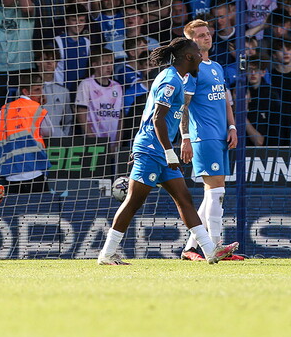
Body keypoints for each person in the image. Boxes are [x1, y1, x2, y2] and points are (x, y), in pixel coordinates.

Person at [96, 37, 238, 265]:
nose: (202, 58)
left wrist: (168, 152)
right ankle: (107, 253)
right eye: (198, 55)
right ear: (189, 57)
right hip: (152, 149)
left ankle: (210, 250)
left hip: (162, 152)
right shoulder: (170, 80)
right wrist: (168, 151)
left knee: (185, 199)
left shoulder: (180, 79)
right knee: (133, 202)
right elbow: (157, 118)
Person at [180, 19, 239, 260]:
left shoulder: (217, 67)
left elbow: (225, 100)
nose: (207, 38)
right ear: (191, 41)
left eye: (208, 34)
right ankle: (215, 246)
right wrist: (185, 137)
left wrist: (232, 126)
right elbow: (184, 106)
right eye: (201, 35)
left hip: (221, 135)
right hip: (203, 137)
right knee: (216, 192)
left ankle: (190, 248)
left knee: (211, 193)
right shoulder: (191, 69)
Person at [0, 74, 53, 195]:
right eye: (37, 90)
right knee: (43, 210)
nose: (41, 93)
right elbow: (49, 132)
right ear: (25, 91)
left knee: (12, 210)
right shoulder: (37, 108)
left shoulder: (6, 109)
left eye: (42, 89)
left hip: (11, 171)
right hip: (34, 168)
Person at [76, 48, 123, 146]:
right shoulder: (86, 84)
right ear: (94, 65)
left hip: (113, 143)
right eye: (105, 63)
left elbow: (120, 116)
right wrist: (93, 140)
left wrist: (118, 142)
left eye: (111, 63)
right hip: (94, 142)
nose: (109, 67)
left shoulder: (117, 86)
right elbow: (81, 115)